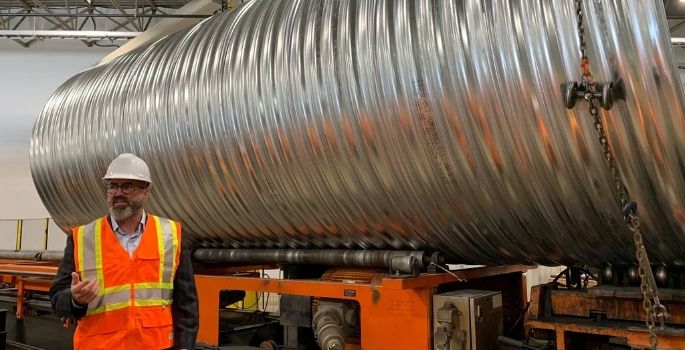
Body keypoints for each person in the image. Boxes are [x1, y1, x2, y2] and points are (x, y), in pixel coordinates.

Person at [49, 153, 199, 350]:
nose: (118, 193)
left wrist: (185, 347)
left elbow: (186, 306)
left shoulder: (172, 235)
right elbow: (57, 298)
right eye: (112, 186)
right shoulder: (82, 237)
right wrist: (74, 300)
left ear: (146, 192)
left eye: (127, 186)